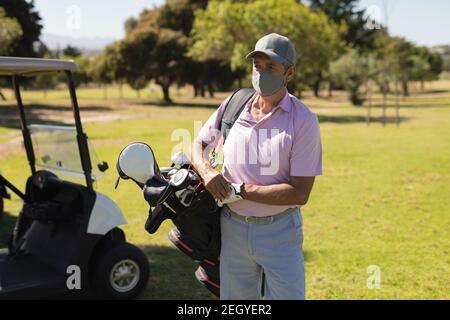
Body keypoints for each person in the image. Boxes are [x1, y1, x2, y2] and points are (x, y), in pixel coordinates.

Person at [188, 33, 322, 300]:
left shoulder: (304, 120)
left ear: (290, 72)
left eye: (271, 67)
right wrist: (207, 172)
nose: (261, 73)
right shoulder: (235, 103)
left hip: (279, 231)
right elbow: (196, 146)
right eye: (257, 66)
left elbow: (299, 193)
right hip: (231, 227)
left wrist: (239, 190)